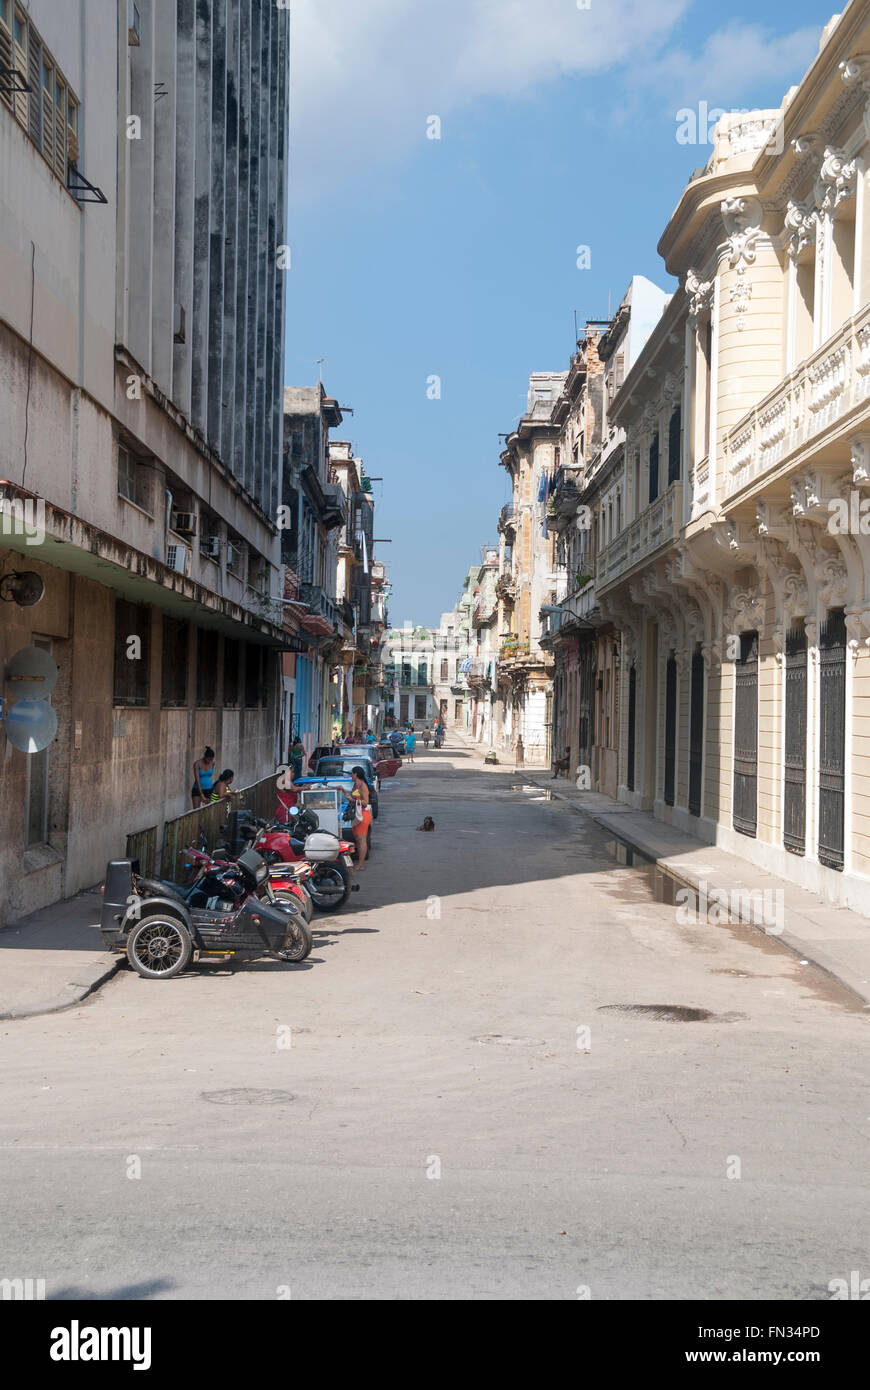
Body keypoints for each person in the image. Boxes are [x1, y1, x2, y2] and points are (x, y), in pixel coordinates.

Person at [349, 765, 372, 869]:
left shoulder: (362, 785)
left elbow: (366, 802)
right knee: (358, 839)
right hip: (357, 814)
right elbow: (353, 798)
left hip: (362, 814)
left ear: (356, 774)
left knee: (362, 839)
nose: (351, 775)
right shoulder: (355, 785)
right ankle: (360, 863)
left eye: (352, 773)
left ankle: (361, 864)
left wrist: (353, 800)